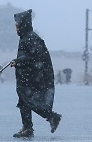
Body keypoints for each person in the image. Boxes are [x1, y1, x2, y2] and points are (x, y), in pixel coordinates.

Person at [11, 9, 62, 138]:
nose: (16, 28)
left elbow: (34, 58)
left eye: (17, 25)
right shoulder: (26, 37)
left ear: (23, 25)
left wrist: (18, 61)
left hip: (33, 77)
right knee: (24, 101)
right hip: (27, 76)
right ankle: (28, 128)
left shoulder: (31, 38)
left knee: (29, 101)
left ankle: (51, 116)